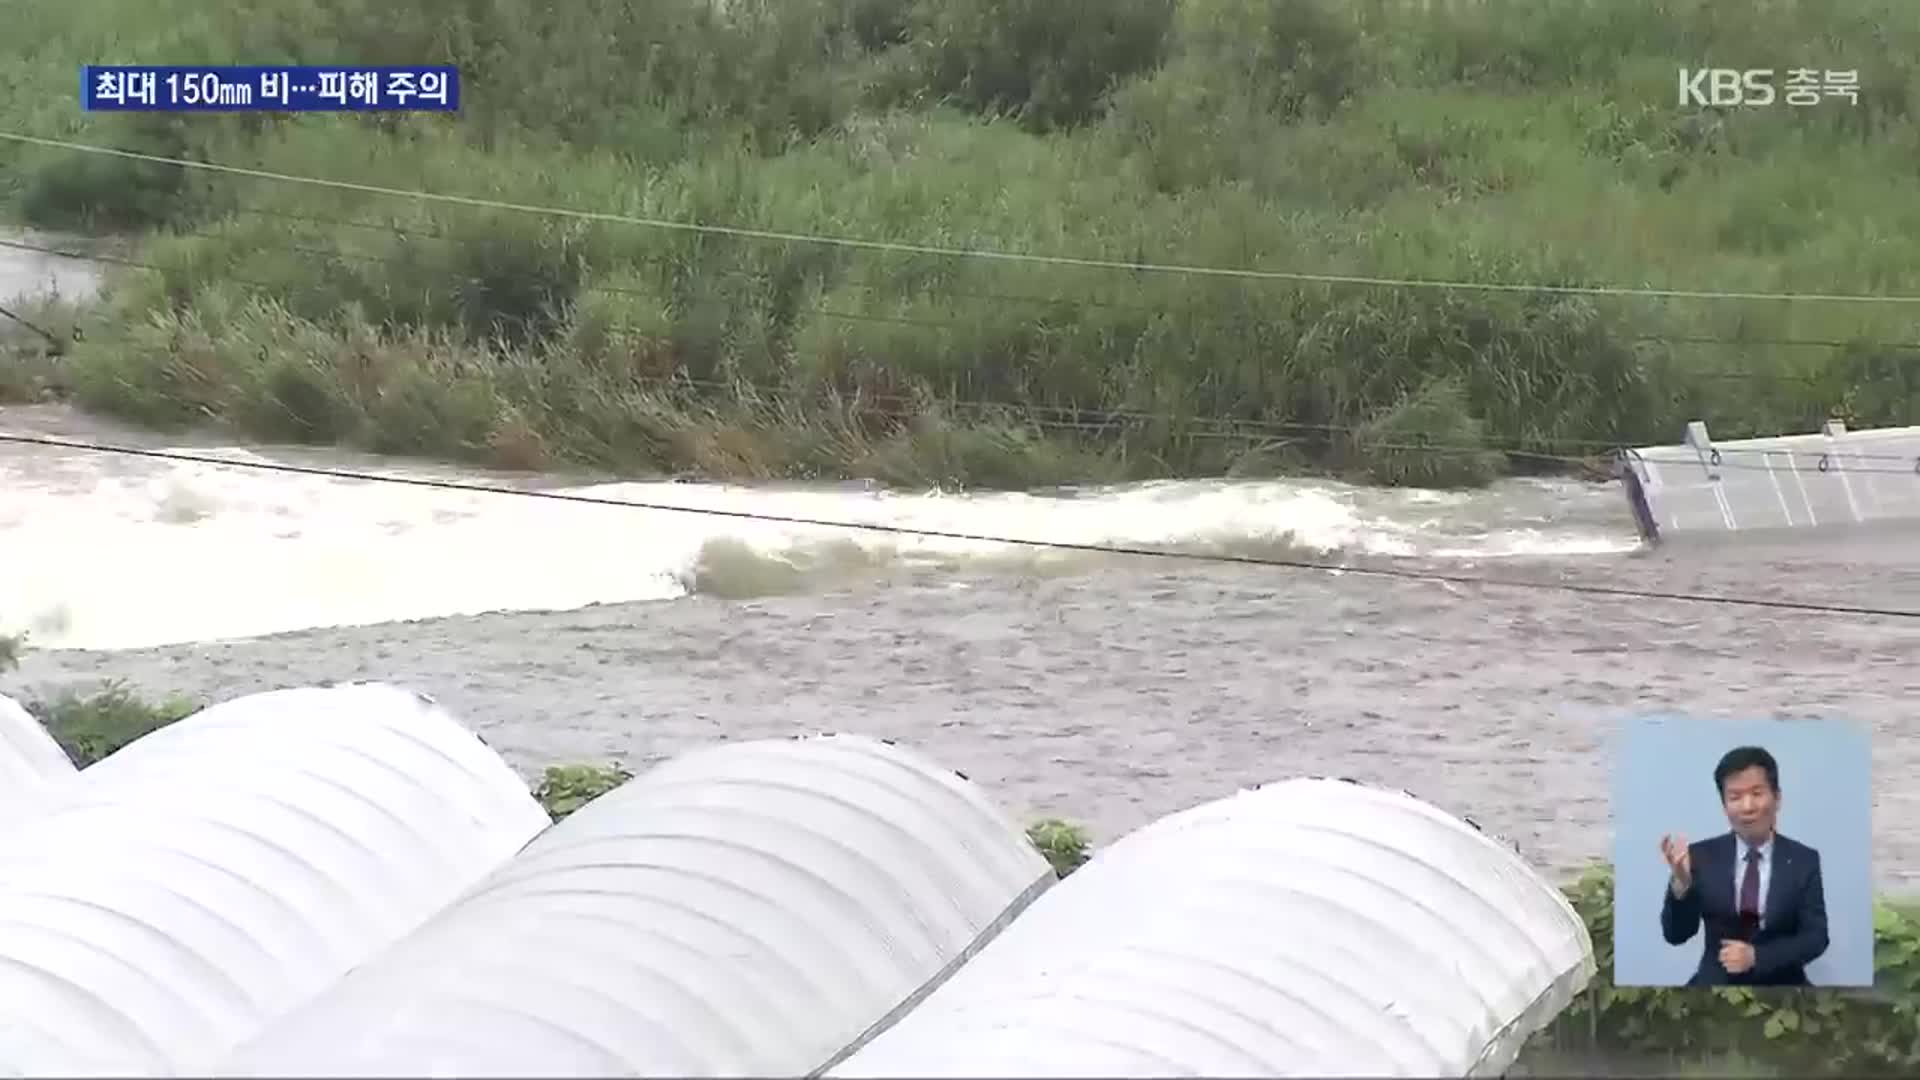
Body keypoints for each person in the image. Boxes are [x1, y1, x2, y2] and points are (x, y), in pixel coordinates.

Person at [1659, 745, 1828, 986]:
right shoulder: (1700, 856)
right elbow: (1676, 935)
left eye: (1757, 793)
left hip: (1783, 987)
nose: (1747, 807)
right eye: (1735, 797)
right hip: (1715, 987)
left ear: (1777, 798)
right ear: (1724, 806)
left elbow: (1816, 938)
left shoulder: (1804, 860)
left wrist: (1757, 957)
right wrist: (1681, 885)